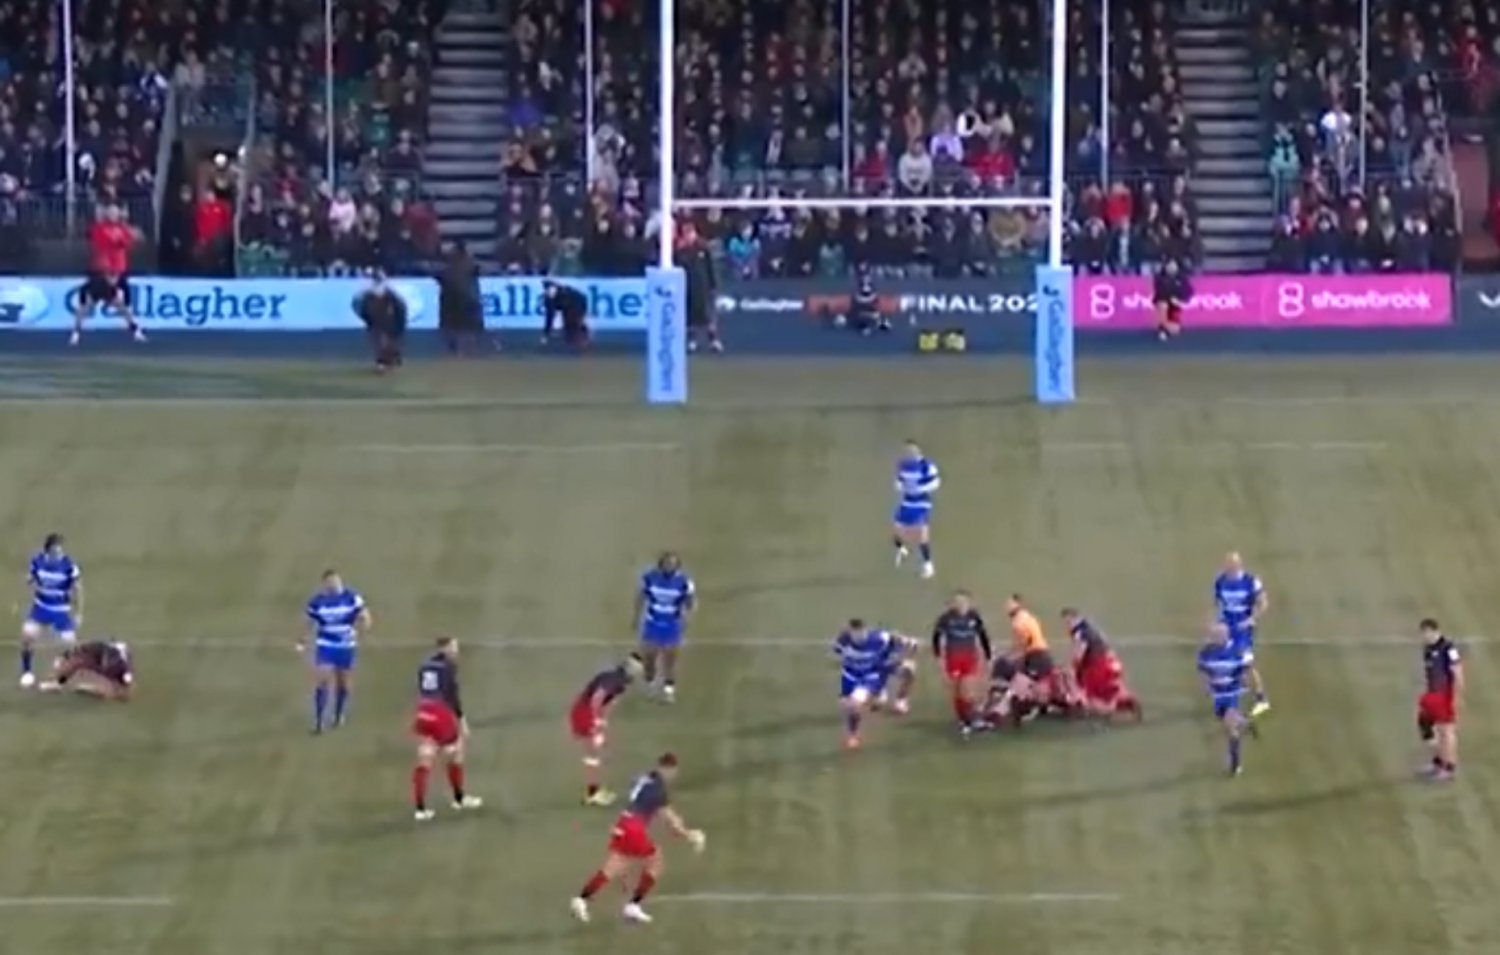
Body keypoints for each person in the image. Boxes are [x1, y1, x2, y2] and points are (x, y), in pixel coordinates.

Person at [571, 753, 706, 925]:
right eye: (672, 772)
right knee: (656, 861)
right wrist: (690, 834)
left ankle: (581, 899)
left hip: (622, 824)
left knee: (612, 867)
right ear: (667, 769)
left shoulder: (643, 778)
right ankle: (633, 905)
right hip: (634, 828)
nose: (673, 776)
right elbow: (671, 821)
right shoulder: (659, 790)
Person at [411, 637, 484, 820]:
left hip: (423, 711)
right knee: (456, 751)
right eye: (453, 647)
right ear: (444, 648)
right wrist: (462, 720)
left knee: (425, 757)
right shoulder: (448, 667)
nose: (456, 651)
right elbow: (452, 695)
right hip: (439, 712)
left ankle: (420, 809)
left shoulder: (425, 665)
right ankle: (459, 798)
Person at [569, 653, 647, 806]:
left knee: (594, 752)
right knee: (593, 753)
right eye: (638, 669)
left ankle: (594, 790)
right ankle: (593, 793)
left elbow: (608, 702)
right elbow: (597, 698)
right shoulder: (615, 680)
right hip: (585, 712)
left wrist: (603, 720)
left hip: (585, 711)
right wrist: (596, 721)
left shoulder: (620, 680)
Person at [298, 569, 370, 734]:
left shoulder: (351, 598)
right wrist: (302, 639)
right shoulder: (317, 602)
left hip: (346, 645)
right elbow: (308, 621)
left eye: (335, 581)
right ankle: (319, 720)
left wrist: (363, 627)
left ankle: (338, 714)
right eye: (329, 582)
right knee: (322, 680)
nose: (333, 585)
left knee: (343, 683)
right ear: (325, 584)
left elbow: (364, 615)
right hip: (326, 645)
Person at [832, 618, 918, 749]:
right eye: (854, 633)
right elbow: (838, 652)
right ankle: (855, 732)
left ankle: (899, 700)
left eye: (861, 632)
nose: (858, 636)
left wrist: (908, 643)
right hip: (855, 677)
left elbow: (899, 640)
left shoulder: (879, 638)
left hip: (873, 673)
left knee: (909, 670)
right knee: (853, 705)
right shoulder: (843, 641)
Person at [72, 204, 146, 346]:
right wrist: (127, 237)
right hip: (102, 270)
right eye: (111, 212)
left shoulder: (123, 228)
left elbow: (133, 241)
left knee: (121, 304)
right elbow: (109, 242)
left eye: (116, 213)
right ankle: (76, 331)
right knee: (91, 303)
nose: (113, 215)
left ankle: (135, 330)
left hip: (119, 269)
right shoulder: (100, 229)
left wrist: (132, 236)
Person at [20, 532, 82, 688]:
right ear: (47, 550)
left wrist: (78, 613)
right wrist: (30, 581)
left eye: (60, 551)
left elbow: (78, 589)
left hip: (60, 610)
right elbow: (31, 577)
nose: (58, 554)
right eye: (55, 551)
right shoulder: (37, 562)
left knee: (70, 642)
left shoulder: (69, 566)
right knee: (28, 635)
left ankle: (62, 667)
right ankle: (27, 672)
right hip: (41, 607)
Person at [1213, 552, 1270, 717]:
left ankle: (1261, 699)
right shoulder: (1220, 581)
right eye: (1226, 564)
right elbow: (1219, 603)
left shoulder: (1251, 581)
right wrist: (1219, 624)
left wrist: (1251, 619)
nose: (1228, 567)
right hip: (1226, 629)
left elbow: (1263, 603)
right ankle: (1236, 692)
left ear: (1238, 565)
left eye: (1231, 564)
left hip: (1242, 631)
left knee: (1246, 664)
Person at [633, 552, 695, 701]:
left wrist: (686, 618)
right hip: (653, 622)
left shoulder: (684, 582)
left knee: (670, 659)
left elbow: (690, 602)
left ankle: (668, 689)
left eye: (672, 564)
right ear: (661, 564)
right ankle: (650, 684)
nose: (669, 566)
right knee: (650, 657)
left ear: (677, 566)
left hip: (672, 624)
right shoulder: (649, 578)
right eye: (667, 563)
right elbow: (641, 597)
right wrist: (636, 617)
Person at [1197, 622, 1255, 776]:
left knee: (1230, 727)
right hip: (1218, 694)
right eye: (1214, 635)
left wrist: (1245, 682)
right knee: (1223, 719)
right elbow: (1204, 671)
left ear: (1226, 635)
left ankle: (1235, 764)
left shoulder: (1236, 650)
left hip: (1232, 692)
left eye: (1218, 635)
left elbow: (1245, 669)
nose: (1215, 638)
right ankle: (1245, 722)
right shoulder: (1206, 652)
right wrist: (1206, 685)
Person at [1062, 608, 1141, 720]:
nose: (1067, 626)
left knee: (1093, 696)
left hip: (1099, 666)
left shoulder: (1079, 632)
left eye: (1067, 622)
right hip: (1112, 662)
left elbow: (1080, 651)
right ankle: (1127, 702)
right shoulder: (1091, 628)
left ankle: (1106, 713)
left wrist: (1073, 668)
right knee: (1111, 691)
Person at [930, 590, 992, 728]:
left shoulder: (974, 616)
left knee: (967, 688)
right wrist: (938, 655)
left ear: (969, 603)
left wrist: (988, 655)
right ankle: (962, 718)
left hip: (969, 656)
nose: (961, 605)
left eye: (964, 602)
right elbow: (936, 637)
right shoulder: (946, 618)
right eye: (958, 602)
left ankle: (971, 718)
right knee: (957, 690)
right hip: (953, 657)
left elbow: (983, 635)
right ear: (953, 604)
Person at [1416, 618, 1461, 780]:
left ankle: (1448, 767)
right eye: (1423, 633)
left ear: (1436, 631)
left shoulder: (1448, 648)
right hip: (1432, 694)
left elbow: (1458, 672)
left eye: (1428, 633)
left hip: (1445, 694)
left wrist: (1456, 697)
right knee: (1425, 725)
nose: (1425, 636)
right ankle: (1438, 761)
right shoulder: (1428, 649)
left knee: (1446, 731)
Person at [892, 440, 941, 579]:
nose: (909, 453)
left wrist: (919, 488)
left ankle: (928, 565)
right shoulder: (903, 465)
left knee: (922, 533)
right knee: (896, 530)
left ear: (918, 451)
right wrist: (900, 486)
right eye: (907, 451)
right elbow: (899, 481)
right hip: (907, 501)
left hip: (921, 502)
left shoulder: (927, 466)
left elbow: (935, 483)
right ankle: (902, 549)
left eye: (912, 450)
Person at [38, 639, 132, 700]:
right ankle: (58, 684)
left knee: (111, 694)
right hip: (97, 662)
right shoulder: (98, 647)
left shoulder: (121, 666)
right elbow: (78, 649)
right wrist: (62, 657)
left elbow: (127, 685)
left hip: (109, 669)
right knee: (76, 662)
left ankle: (89, 689)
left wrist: (123, 689)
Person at [438, 240, 488, 355]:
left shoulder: (466, 266)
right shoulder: (457, 267)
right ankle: (461, 349)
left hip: (464, 300)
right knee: (458, 327)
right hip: (459, 300)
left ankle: (464, 349)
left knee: (464, 327)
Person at [678, 229, 723, 352]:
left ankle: (714, 341)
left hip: (704, 286)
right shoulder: (682, 251)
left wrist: (714, 285)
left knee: (709, 315)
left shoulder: (704, 248)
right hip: (689, 287)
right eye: (686, 234)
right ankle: (692, 341)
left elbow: (711, 267)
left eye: (690, 233)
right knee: (691, 316)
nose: (689, 236)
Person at [354, 271, 408, 372]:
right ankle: (384, 361)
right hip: (377, 322)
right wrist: (368, 320)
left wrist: (400, 321)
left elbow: (400, 308)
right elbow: (363, 309)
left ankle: (387, 360)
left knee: (387, 342)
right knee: (380, 342)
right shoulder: (369, 293)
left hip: (388, 322)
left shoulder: (389, 293)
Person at [1152, 257, 1191, 342]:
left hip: (1175, 303)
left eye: (1173, 265)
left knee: (1175, 330)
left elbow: (1188, 290)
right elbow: (1160, 291)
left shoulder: (1181, 277)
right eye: (1169, 266)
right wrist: (1170, 299)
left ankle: (1171, 327)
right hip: (1163, 300)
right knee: (1163, 305)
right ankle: (1162, 328)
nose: (1172, 267)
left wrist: (1180, 299)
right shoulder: (1160, 277)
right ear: (1166, 267)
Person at [542, 279, 589, 348]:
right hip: (574, 303)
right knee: (570, 323)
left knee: (572, 322)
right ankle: (575, 339)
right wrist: (546, 333)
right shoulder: (555, 295)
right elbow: (550, 316)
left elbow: (550, 317)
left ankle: (578, 339)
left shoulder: (554, 297)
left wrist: (546, 334)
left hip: (577, 303)